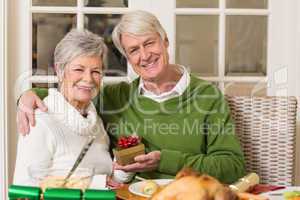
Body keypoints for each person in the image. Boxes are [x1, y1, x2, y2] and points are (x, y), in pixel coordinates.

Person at [17, 10, 245, 184]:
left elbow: (232, 165)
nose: (144, 55)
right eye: (134, 50)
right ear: (127, 58)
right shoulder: (116, 97)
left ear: (165, 42)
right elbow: (75, 94)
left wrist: (166, 160)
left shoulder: (208, 97)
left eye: (149, 43)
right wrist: (29, 96)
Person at [14, 29, 128, 186]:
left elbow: (107, 184)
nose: (88, 79)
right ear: (60, 71)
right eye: (79, 69)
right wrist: (95, 183)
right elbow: (24, 191)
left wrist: (123, 172)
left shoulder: (97, 125)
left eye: (95, 71)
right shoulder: (39, 122)